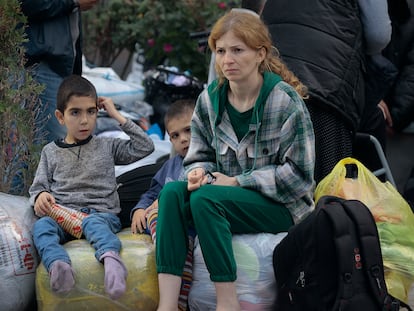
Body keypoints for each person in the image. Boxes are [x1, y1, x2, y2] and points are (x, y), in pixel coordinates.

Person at [155, 11, 315, 311]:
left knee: (205, 200)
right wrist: (198, 172)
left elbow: (300, 177)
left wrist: (239, 181)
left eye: (238, 50)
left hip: (281, 206)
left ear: (260, 54)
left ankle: (227, 304)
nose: (227, 59)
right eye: (221, 51)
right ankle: (167, 305)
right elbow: (197, 157)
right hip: (224, 199)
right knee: (171, 193)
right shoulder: (209, 100)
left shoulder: (283, 101)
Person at [29, 75, 154, 299]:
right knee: (41, 228)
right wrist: (41, 196)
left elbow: (145, 147)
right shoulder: (50, 151)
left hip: (101, 216)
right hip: (64, 218)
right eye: (75, 112)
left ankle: (111, 260)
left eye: (91, 111)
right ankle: (59, 265)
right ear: (60, 116)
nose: (84, 120)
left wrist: (116, 114)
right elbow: (38, 188)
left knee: (92, 222)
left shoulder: (107, 146)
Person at [262, 0, 392, 183]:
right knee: (327, 181)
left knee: (273, 175)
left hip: (273, 71)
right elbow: (378, 35)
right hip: (328, 79)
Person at [130, 98, 195, 311]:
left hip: (191, 227)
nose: (183, 139)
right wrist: (140, 208)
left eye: (188, 130)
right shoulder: (170, 166)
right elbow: (152, 192)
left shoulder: (207, 160)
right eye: (175, 136)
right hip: (167, 231)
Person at [20, 0, 99, 143]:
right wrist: (73, 2)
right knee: (55, 147)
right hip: (40, 63)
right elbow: (26, 4)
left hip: (60, 65)